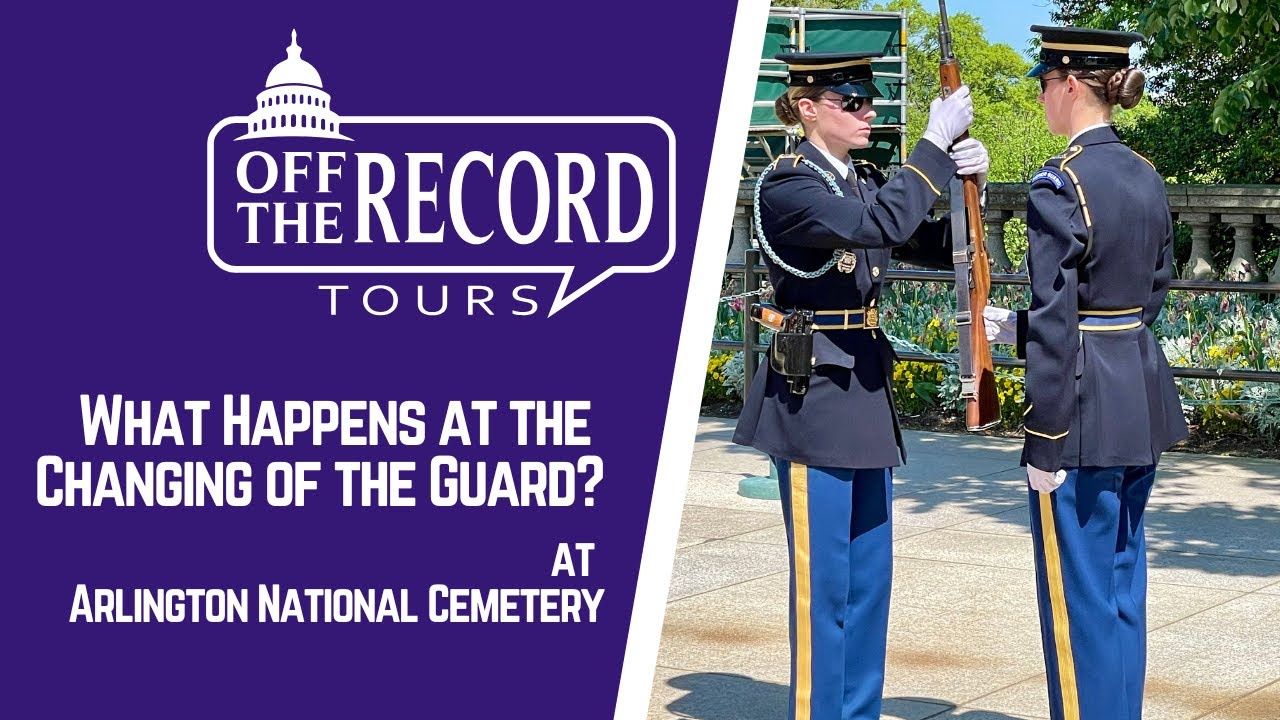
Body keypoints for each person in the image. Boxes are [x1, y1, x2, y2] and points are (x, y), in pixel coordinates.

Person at [732, 51, 988, 720]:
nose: (868, 109)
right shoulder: (789, 186)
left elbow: (930, 243)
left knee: (870, 580)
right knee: (828, 585)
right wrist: (931, 146)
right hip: (812, 393)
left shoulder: (864, 177)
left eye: (870, 98)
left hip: (864, 388)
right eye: (852, 99)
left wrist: (969, 187)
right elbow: (878, 227)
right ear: (810, 108)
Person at [982, 25, 1189, 720]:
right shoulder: (1146, 173)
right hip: (1139, 397)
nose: (1043, 98)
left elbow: (1059, 311)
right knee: (1123, 590)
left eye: (1043, 84)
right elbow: (1151, 290)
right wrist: (1038, 329)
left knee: (1077, 606)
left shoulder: (1059, 183)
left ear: (1069, 83)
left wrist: (1043, 441)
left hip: (1079, 413)